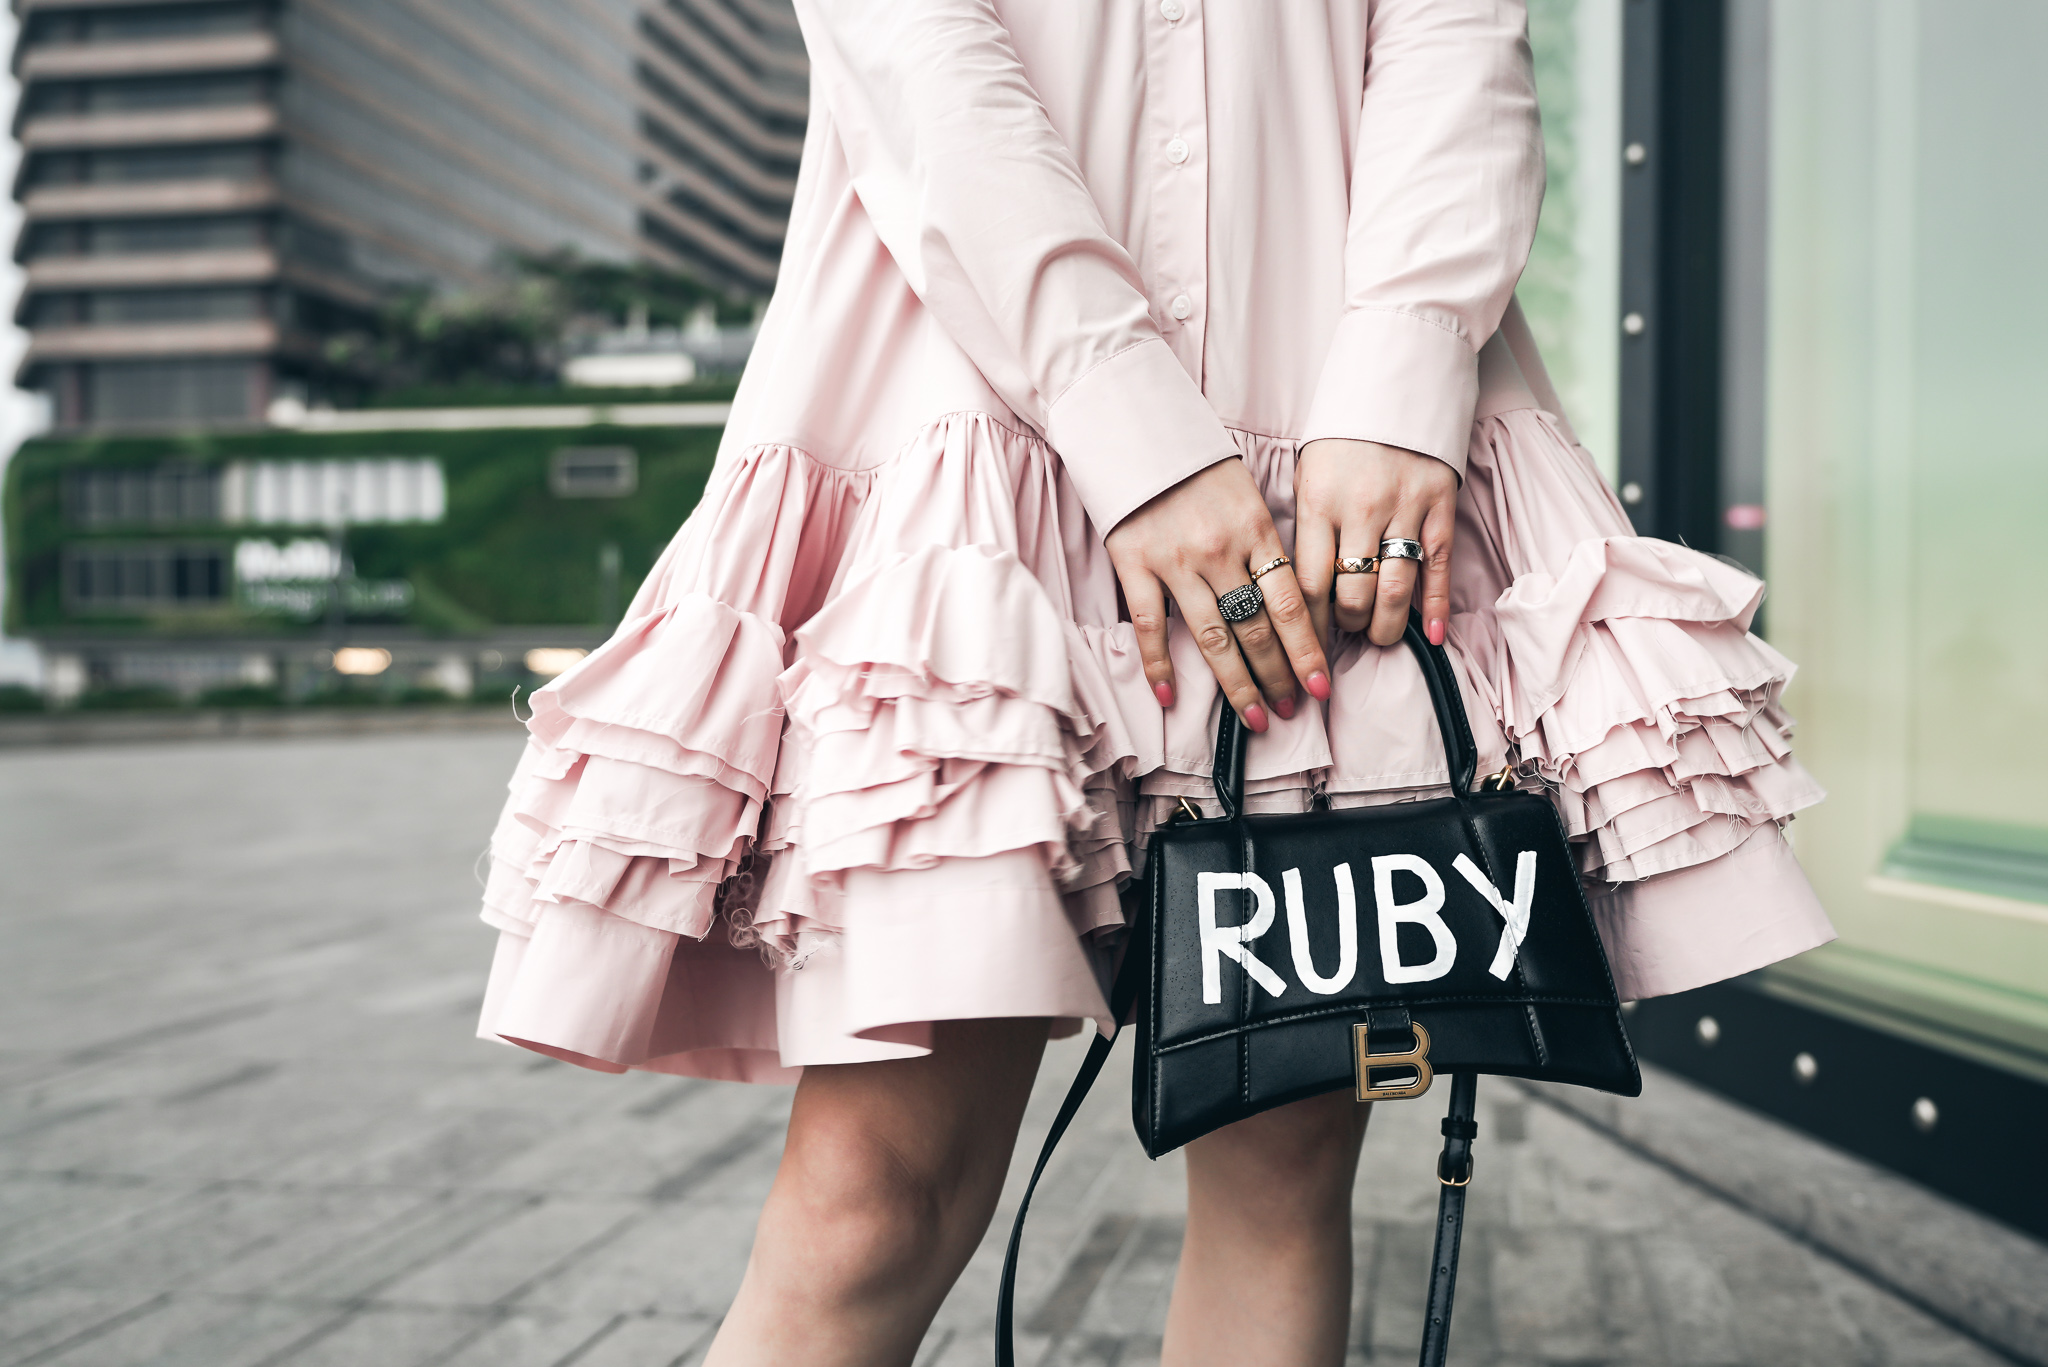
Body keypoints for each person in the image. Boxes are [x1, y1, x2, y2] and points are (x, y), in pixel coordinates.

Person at [474, 2, 1836, 1361]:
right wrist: (1122, 410)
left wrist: (1406, 358)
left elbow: (1454, 27)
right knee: (872, 1201)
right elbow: (920, 57)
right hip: (978, 433)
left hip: (1339, 438)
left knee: (1284, 1171)